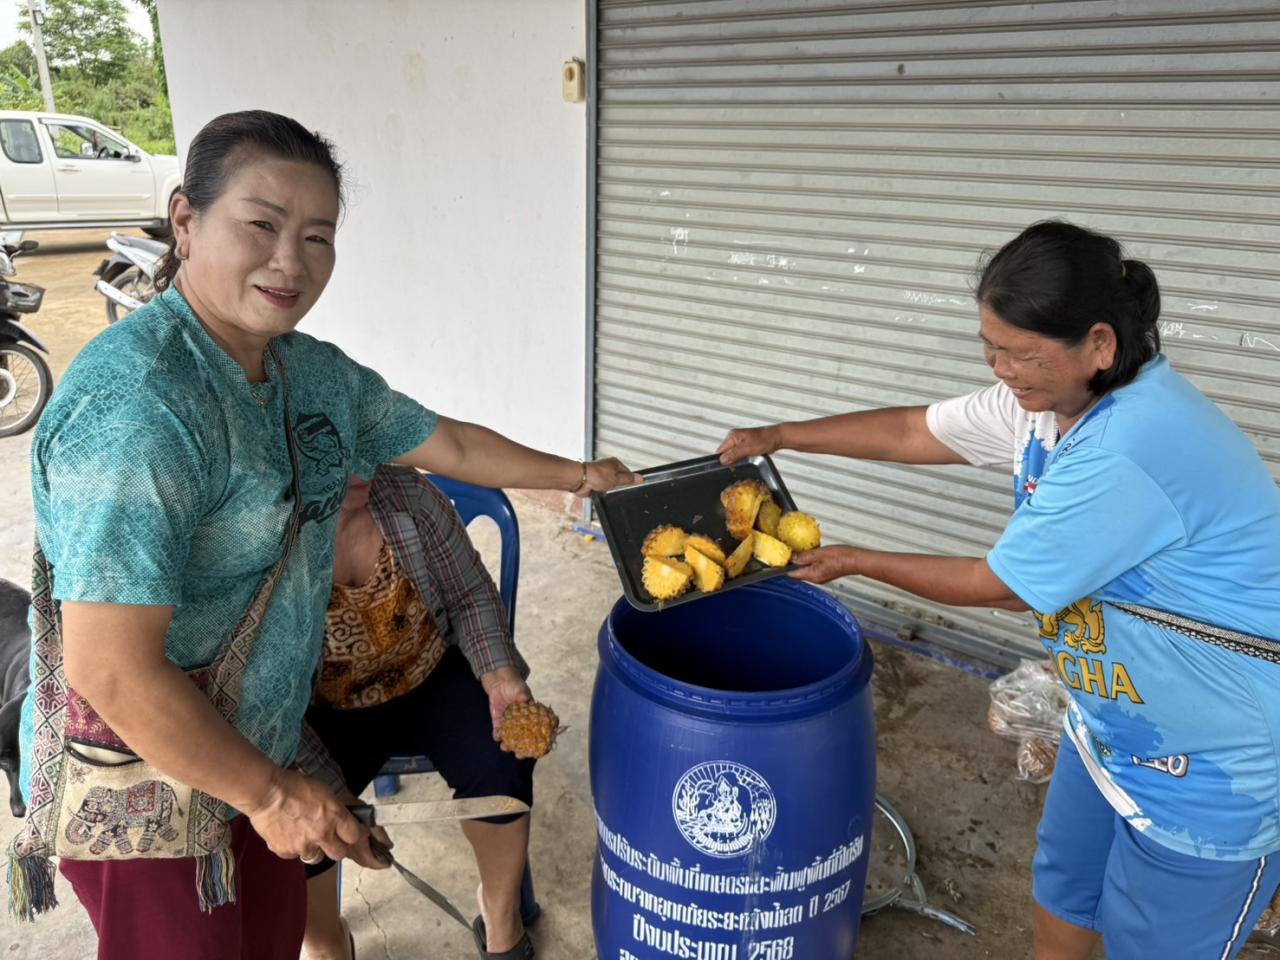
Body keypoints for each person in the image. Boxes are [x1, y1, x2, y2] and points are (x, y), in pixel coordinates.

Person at [16, 109, 638, 960]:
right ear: (185, 220)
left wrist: (579, 475)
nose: (291, 261)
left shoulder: (310, 373)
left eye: (318, 236)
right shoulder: (140, 408)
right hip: (150, 785)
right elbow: (113, 668)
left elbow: (452, 445)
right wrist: (273, 795)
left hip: (261, 751)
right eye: (261, 225)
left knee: (273, 943)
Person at [718, 220, 1280, 960]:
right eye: (991, 348)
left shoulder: (1129, 446)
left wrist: (855, 560)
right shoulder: (1044, 403)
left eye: (1022, 353)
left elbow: (1003, 587)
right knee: (1065, 897)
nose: (1004, 370)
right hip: (1110, 722)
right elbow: (912, 432)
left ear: (1100, 344)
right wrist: (781, 435)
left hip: (1213, 762)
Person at [301, 467, 539, 960]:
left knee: (503, 762)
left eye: (364, 443)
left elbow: (470, 595)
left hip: (428, 671)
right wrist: (325, 788)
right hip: (320, 707)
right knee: (299, 811)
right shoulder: (264, 538)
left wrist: (499, 675)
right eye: (332, 449)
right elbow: (260, 696)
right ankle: (325, 940)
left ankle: (501, 914)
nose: (358, 465)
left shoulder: (409, 496)